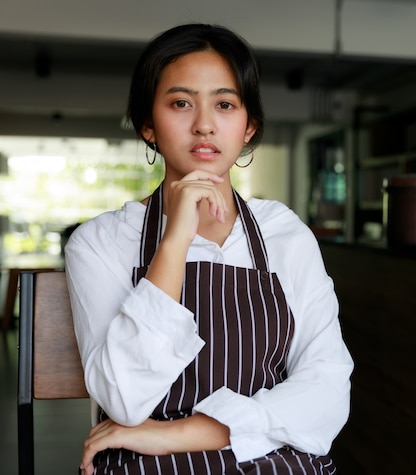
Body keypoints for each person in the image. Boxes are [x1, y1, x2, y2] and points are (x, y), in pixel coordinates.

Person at [64, 23, 353, 475]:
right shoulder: (100, 242)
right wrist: (176, 237)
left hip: (269, 462)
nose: (203, 124)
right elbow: (122, 398)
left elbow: (328, 387)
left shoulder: (285, 234)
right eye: (180, 103)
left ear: (248, 125)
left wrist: (176, 434)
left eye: (224, 104)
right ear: (148, 126)